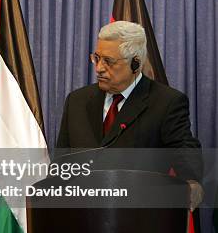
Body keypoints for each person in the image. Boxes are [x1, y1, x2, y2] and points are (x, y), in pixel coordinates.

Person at [56, 20, 202, 208]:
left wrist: (192, 181)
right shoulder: (77, 101)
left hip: (138, 218)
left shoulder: (166, 103)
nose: (99, 68)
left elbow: (185, 151)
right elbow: (61, 165)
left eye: (108, 61)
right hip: (81, 218)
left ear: (135, 63)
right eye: (97, 58)